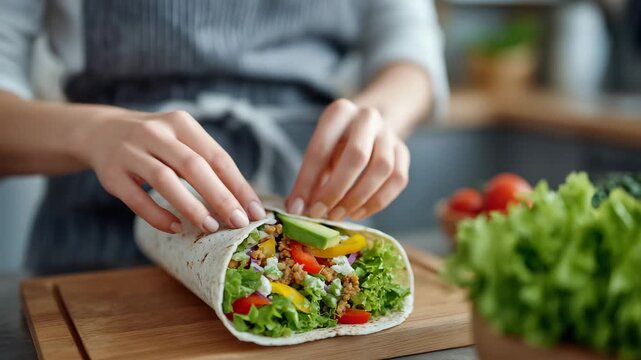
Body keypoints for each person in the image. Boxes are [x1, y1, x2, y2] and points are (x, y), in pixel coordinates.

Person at [0, 0, 448, 274]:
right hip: (98, 236)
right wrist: (93, 132)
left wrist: (378, 119)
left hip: (313, 209)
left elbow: (410, 55)